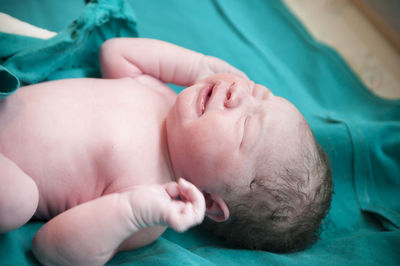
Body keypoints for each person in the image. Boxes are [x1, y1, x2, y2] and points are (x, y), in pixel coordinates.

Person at [0, 38, 332, 265]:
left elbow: (50, 248)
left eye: (245, 127)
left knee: (17, 202)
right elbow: (115, 52)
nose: (238, 95)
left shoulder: (149, 201)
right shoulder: (160, 94)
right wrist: (196, 66)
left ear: (211, 203)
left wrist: (131, 211)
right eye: (259, 92)